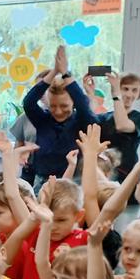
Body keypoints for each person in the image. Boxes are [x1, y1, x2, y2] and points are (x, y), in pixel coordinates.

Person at [21, 45, 96, 189]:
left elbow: (83, 104)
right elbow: (28, 102)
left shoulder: (82, 120)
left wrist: (65, 74)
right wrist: (54, 71)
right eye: (53, 106)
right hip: (42, 182)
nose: (58, 111)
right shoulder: (42, 120)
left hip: (73, 182)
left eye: (64, 106)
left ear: (73, 103)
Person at [85, 71, 140, 192]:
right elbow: (90, 123)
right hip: (104, 176)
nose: (129, 94)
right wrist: (90, 94)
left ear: (139, 94)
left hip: (128, 178)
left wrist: (116, 93)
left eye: (134, 90)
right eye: (125, 89)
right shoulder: (105, 117)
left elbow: (122, 125)